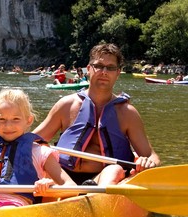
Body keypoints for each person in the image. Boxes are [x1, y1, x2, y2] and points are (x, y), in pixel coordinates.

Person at [33, 43, 161, 186]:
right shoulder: (66, 105)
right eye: (98, 66)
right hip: (64, 179)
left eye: (111, 68)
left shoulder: (127, 113)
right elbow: (31, 141)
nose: (104, 72)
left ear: (118, 73)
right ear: (88, 69)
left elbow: (151, 156)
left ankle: (97, 200)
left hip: (105, 180)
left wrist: (148, 163)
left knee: (113, 170)